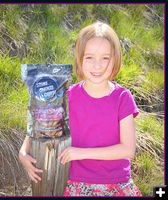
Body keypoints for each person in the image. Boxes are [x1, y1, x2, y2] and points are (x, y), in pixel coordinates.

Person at [19, 21, 142, 196]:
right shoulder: (67, 96)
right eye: (89, 57)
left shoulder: (122, 98)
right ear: (79, 59)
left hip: (116, 183)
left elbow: (127, 149)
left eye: (105, 57)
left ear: (115, 59)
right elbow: (41, 125)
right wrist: (22, 153)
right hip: (76, 183)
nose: (97, 65)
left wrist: (80, 153)